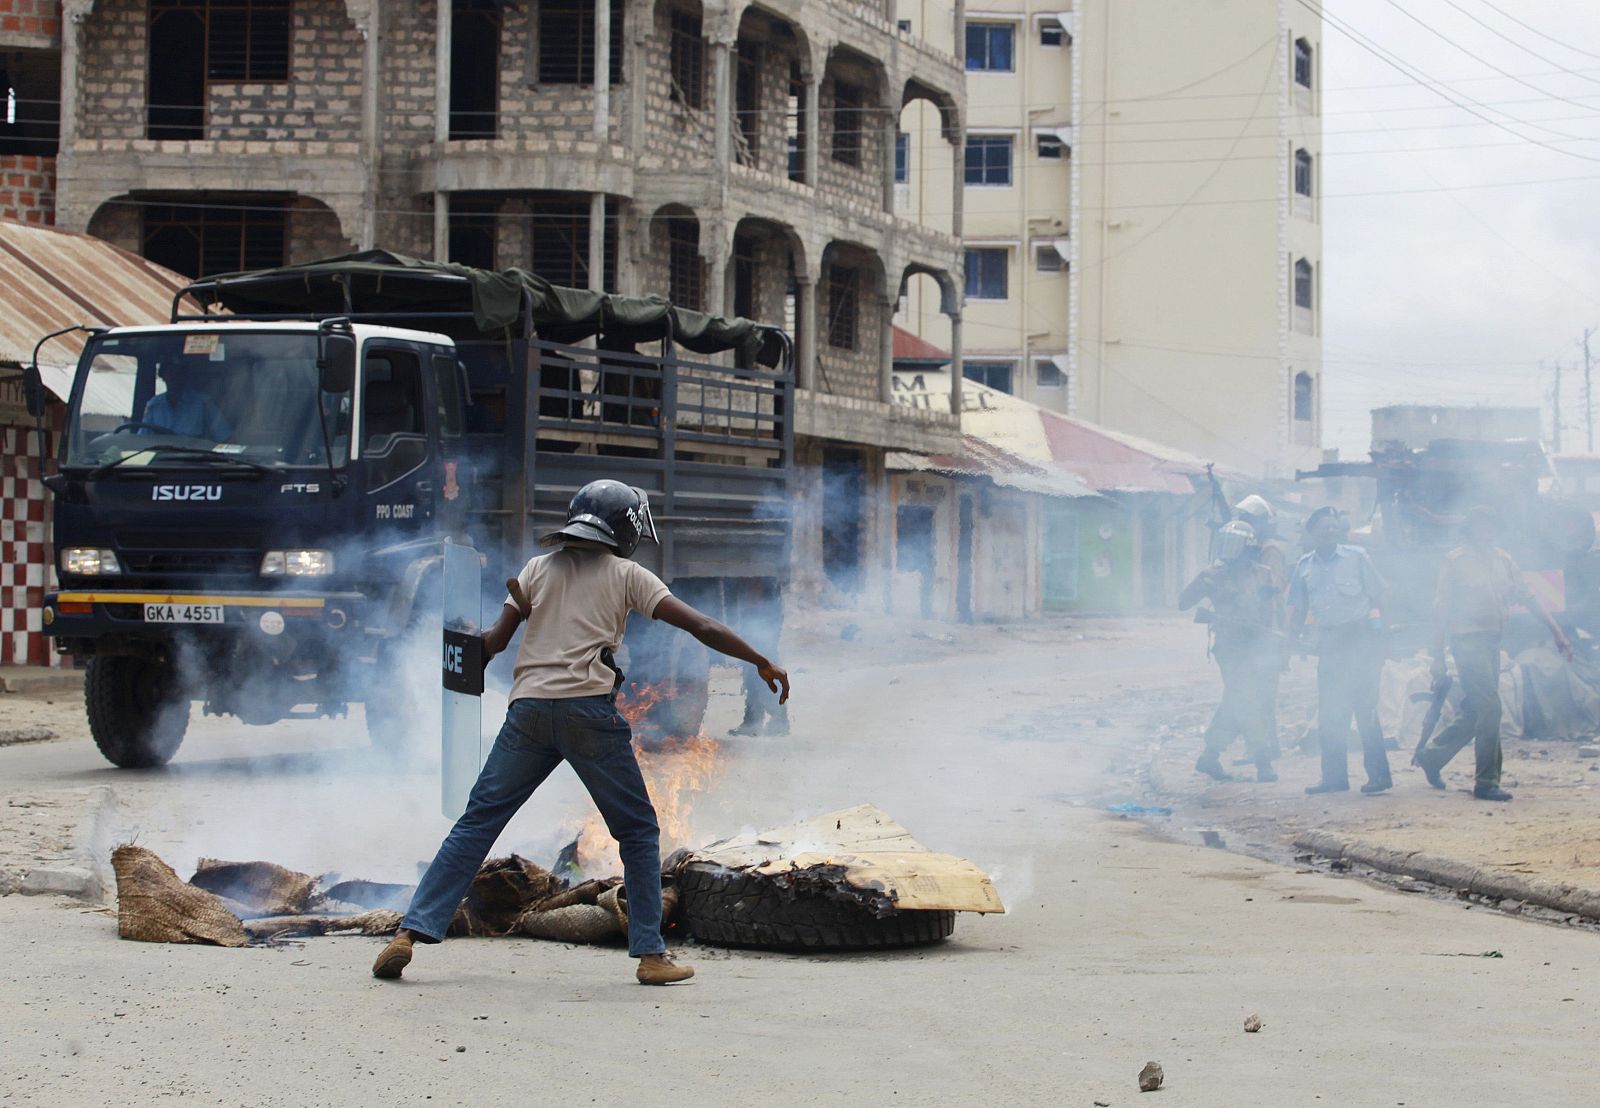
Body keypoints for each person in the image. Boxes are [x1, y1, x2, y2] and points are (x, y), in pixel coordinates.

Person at [371, 480, 791, 985]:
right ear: (627, 530)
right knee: (636, 831)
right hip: (587, 714)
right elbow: (700, 626)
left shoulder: (535, 570)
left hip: (527, 714)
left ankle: (408, 934)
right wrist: (761, 660)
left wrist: (466, 635)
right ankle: (651, 955)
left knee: (476, 824)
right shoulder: (629, 575)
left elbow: (492, 647)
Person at [1417, 505, 1572, 801]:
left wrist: (1557, 632)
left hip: (1492, 642)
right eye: (1480, 525)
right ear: (1470, 529)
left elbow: (1528, 597)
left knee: (1478, 708)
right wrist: (1436, 657)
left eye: (1490, 525)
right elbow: (1441, 611)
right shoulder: (1455, 561)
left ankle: (1432, 756)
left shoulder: (1504, 560)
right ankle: (1486, 781)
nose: (1485, 531)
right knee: (1490, 707)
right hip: (1467, 642)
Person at [1289, 506, 1393, 795]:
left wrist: (1381, 638)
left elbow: (1380, 596)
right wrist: (1290, 640)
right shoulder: (1304, 566)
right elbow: (1298, 608)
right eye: (1325, 528)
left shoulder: (1357, 557)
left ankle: (1379, 777)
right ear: (1313, 533)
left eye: (1335, 527)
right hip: (1330, 644)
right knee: (1331, 713)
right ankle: (1334, 779)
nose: (1331, 532)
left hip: (1360, 642)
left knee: (1365, 711)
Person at [1178, 520, 1280, 783]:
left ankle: (1210, 755)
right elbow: (1183, 602)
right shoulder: (1214, 575)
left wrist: (1276, 645)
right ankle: (1262, 760)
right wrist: (1203, 582)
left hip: (1259, 646)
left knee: (1237, 699)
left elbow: (1271, 612)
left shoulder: (1262, 573)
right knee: (1246, 699)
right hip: (1230, 647)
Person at [729, 577, 790, 737]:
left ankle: (777, 720)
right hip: (760, 606)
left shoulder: (762, 581)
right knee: (754, 665)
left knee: (763, 663)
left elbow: (755, 584)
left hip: (762, 609)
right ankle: (754, 721)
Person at [141, 361, 232, 441]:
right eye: (169, 373)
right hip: (159, 458)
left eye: (177, 374)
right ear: (163, 376)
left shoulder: (203, 404)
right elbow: (141, 439)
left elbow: (224, 436)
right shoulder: (154, 405)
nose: (173, 378)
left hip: (196, 458)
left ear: (184, 377)